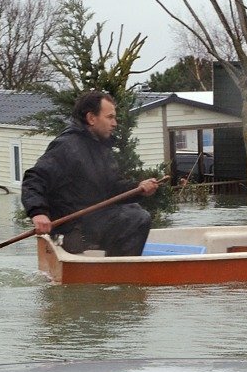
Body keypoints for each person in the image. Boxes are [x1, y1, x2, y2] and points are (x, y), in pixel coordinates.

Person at [21, 90, 160, 256]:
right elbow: (34, 179)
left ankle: (115, 269)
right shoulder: (67, 146)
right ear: (91, 118)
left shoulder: (101, 148)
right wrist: (38, 213)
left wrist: (139, 188)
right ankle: (121, 273)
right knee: (137, 218)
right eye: (109, 117)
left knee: (133, 209)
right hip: (72, 230)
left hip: (91, 222)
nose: (115, 123)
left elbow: (113, 188)